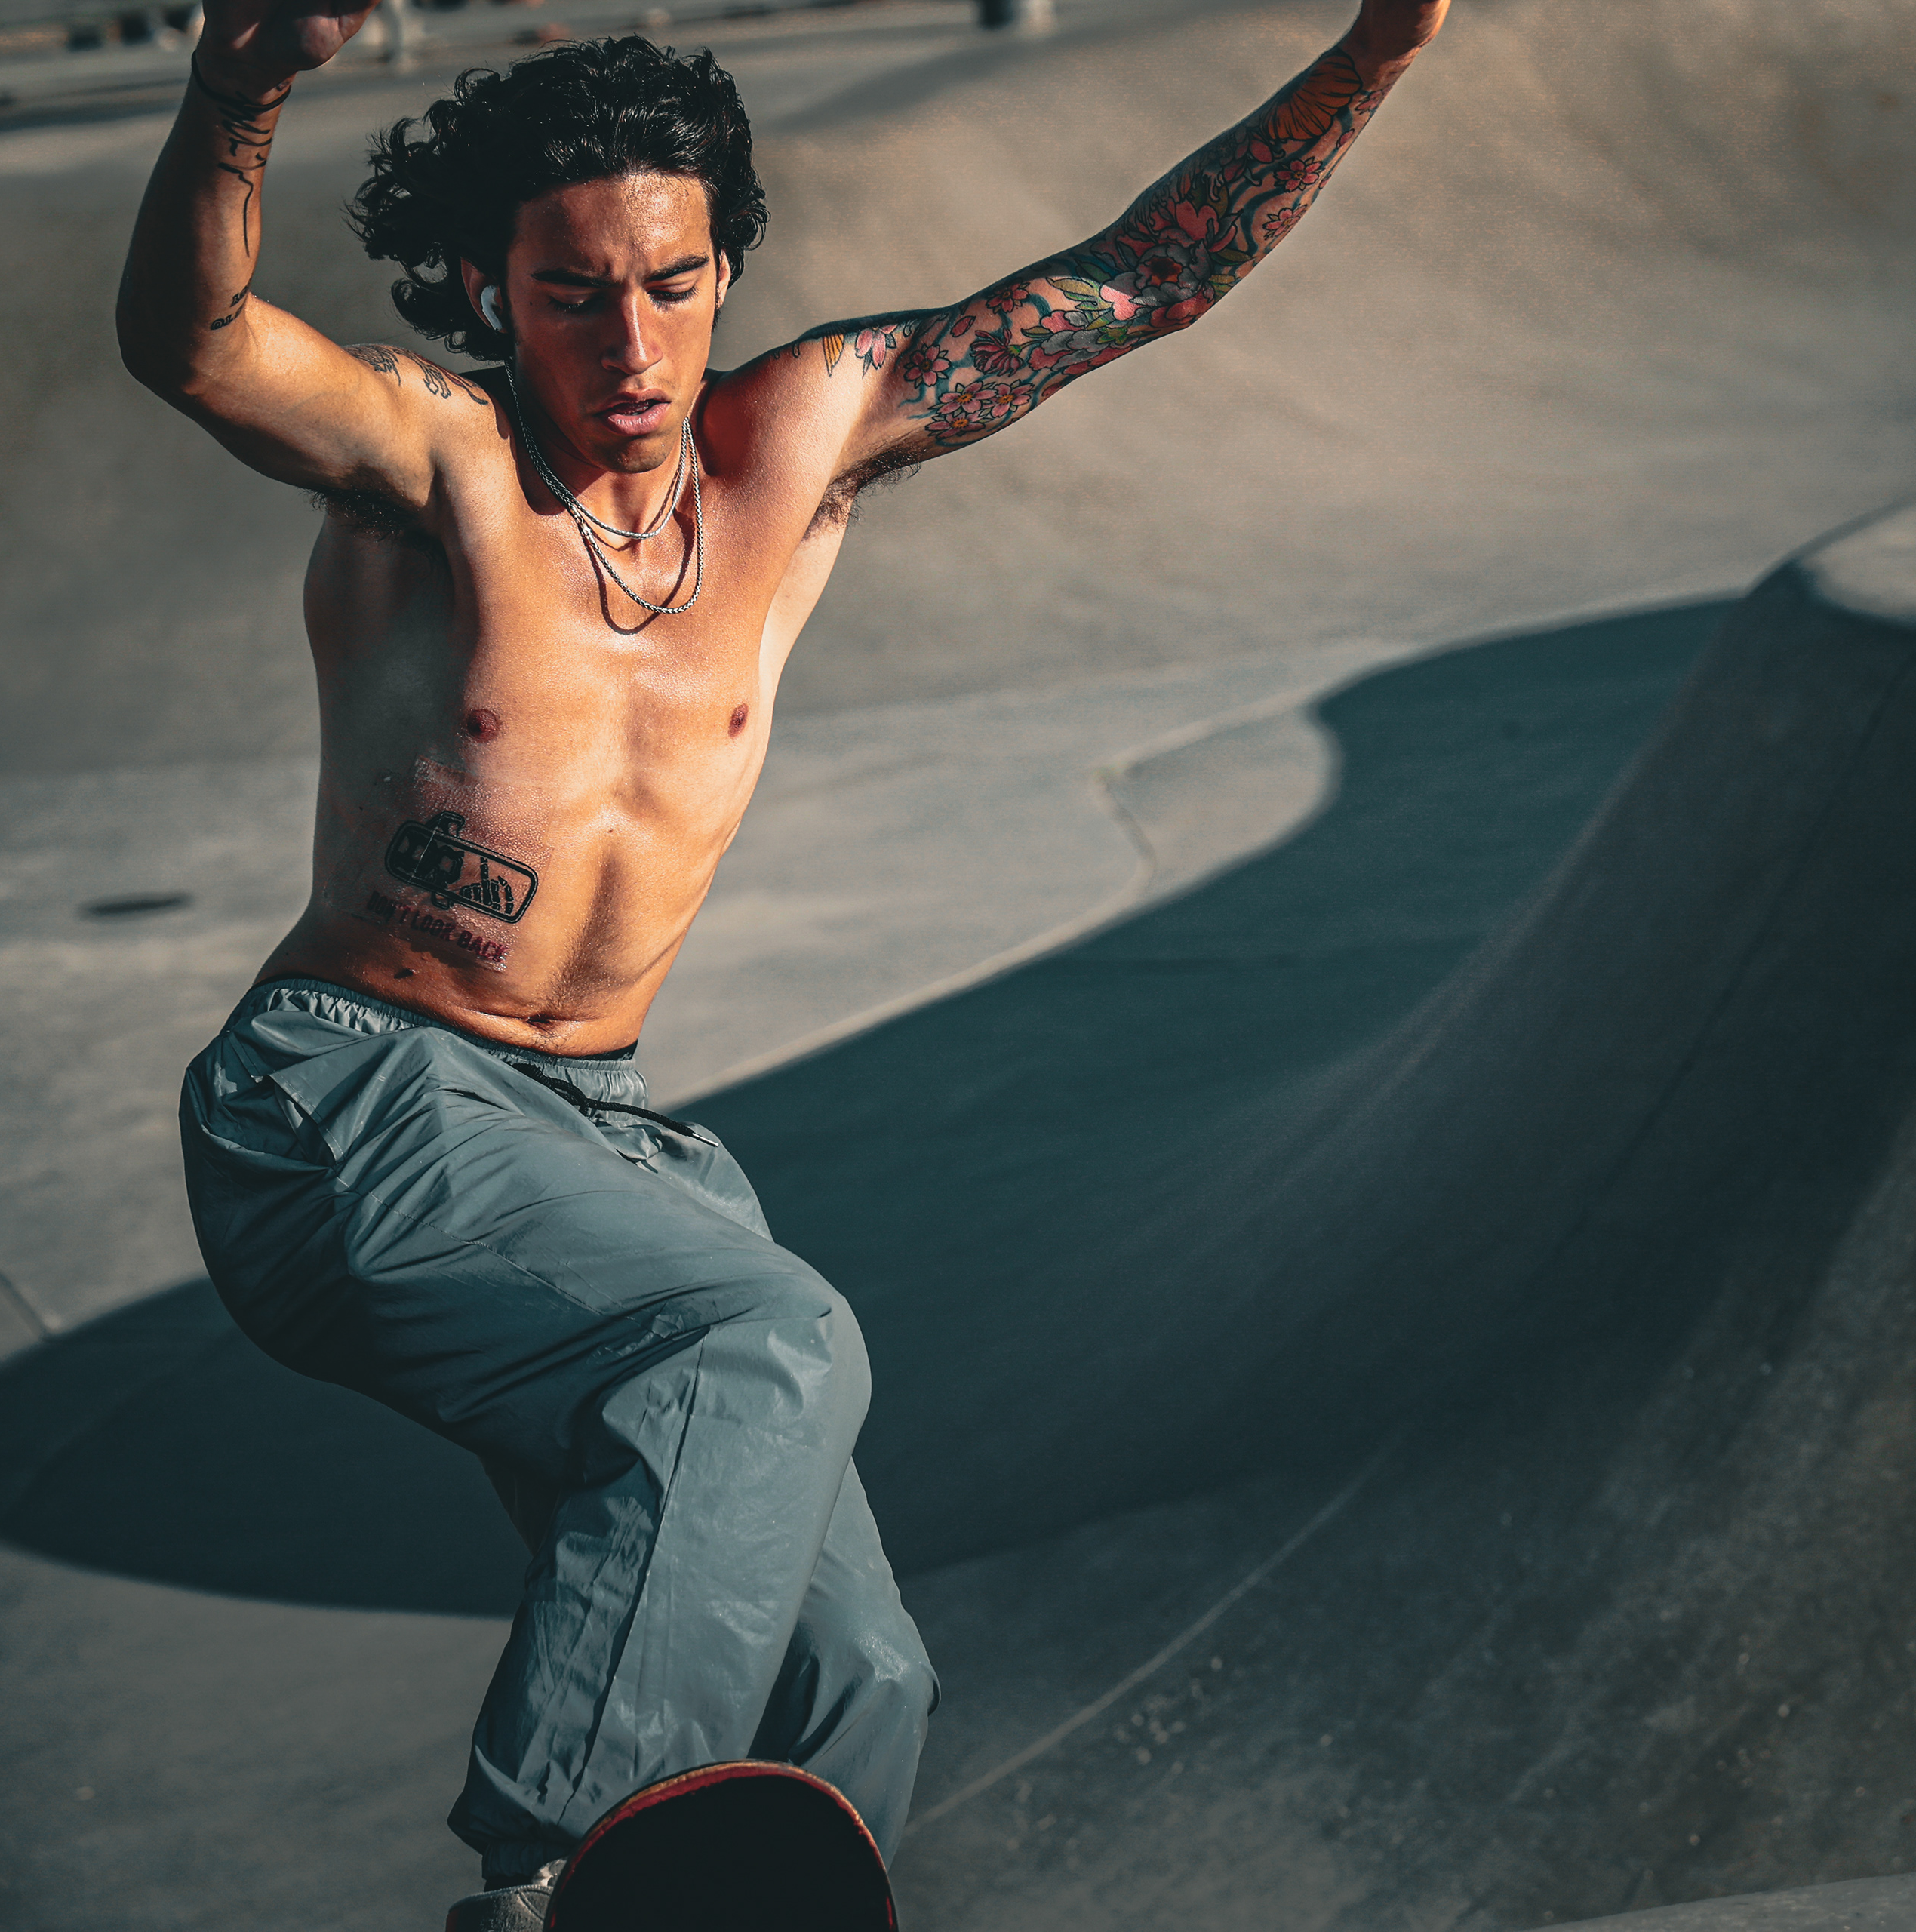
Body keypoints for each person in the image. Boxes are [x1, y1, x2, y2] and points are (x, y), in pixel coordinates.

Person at [128, 0, 1447, 1922]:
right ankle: (549, 1882)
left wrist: (1381, 45)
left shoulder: (807, 437)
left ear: (725, 271)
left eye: (672, 287)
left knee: (858, 1676)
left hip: (601, 1135)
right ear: (493, 292)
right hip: (352, 1101)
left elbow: (1143, 276)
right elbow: (193, 343)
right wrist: (234, 94)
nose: (633, 347)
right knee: (765, 1338)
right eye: (575, 297)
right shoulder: (433, 463)